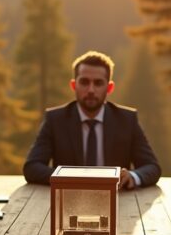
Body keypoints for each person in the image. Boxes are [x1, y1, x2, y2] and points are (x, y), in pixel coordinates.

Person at [23, 50, 161, 188]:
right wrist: (68, 178)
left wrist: (133, 176)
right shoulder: (55, 120)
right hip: (69, 196)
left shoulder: (126, 120)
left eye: (98, 83)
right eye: (84, 82)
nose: (91, 90)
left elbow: (152, 167)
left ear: (109, 87)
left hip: (118, 198)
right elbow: (32, 167)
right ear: (74, 85)